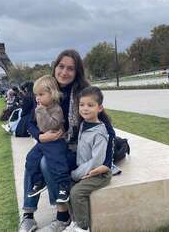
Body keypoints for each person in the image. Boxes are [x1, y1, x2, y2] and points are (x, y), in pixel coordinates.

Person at [19, 49, 115, 232]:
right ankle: (28, 215)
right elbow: (28, 121)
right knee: (33, 159)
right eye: (61, 66)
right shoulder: (44, 88)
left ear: (76, 71)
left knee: (48, 161)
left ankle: (62, 216)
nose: (64, 72)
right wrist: (40, 136)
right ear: (55, 67)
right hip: (50, 142)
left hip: (73, 149)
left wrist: (107, 163)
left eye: (70, 68)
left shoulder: (83, 92)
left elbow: (107, 129)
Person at [65, 86, 112, 232]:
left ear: (100, 108)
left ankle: (83, 227)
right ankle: (74, 222)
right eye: (82, 104)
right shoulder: (84, 124)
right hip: (85, 170)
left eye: (90, 105)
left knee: (77, 192)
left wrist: (77, 174)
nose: (85, 108)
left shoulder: (99, 132)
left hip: (98, 173)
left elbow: (97, 161)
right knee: (67, 188)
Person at [25, 75, 70, 203]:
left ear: (53, 94)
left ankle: (63, 186)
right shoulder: (40, 108)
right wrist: (40, 135)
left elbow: (51, 125)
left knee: (57, 162)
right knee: (31, 158)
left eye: (41, 94)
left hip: (56, 142)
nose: (37, 98)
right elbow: (33, 124)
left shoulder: (56, 109)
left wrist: (41, 111)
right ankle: (39, 180)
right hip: (44, 142)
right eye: (36, 95)